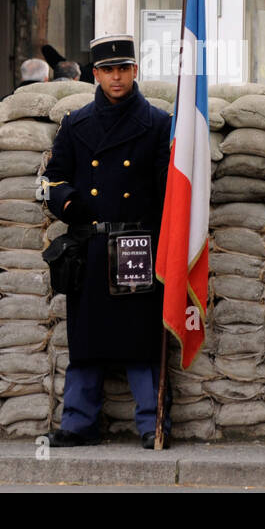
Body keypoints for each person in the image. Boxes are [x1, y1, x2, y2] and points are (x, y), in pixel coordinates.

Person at [42, 34, 172, 449]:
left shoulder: (156, 123)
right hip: (92, 246)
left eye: (123, 69)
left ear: (135, 71)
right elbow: (52, 179)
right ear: (95, 74)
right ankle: (78, 424)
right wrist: (67, 202)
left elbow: (167, 189)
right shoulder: (77, 123)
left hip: (137, 245)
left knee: (141, 343)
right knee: (86, 342)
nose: (116, 78)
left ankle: (153, 423)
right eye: (108, 71)